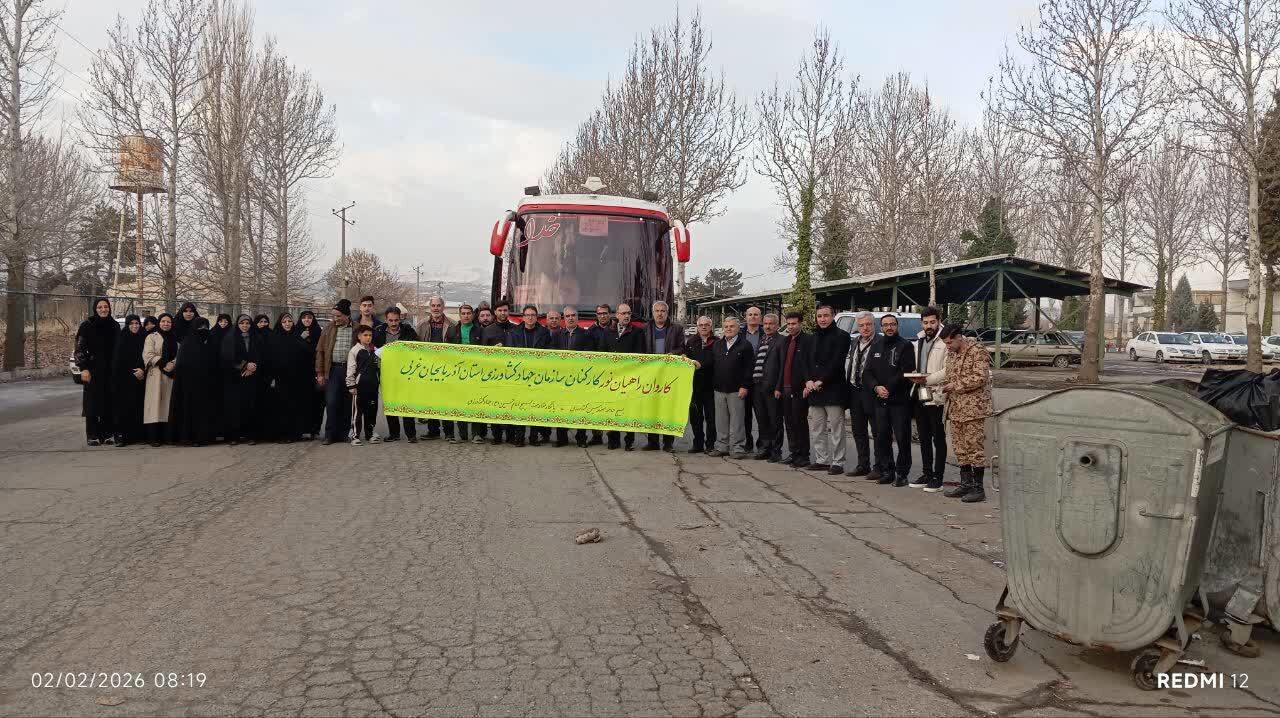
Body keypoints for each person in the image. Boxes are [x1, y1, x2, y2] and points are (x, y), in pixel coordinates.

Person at [937, 324, 992, 502]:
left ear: (959, 337)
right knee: (960, 448)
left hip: (973, 410)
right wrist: (942, 387)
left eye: (949, 342)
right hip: (955, 408)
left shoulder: (977, 350)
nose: (947, 346)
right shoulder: (952, 354)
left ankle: (978, 488)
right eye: (945, 343)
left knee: (975, 449)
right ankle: (965, 484)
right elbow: (949, 376)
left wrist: (955, 385)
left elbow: (980, 376)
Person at [864, 313, 916, 486]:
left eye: (892, 324)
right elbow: (868, 371)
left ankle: (902, 473)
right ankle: (888, 470)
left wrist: (888, 388)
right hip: (880, 400)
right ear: (881, 327)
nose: (889, 327)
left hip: (899, 401)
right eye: (885, 325)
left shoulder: (905, 345)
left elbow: (906, 371)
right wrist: (876, 387)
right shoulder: (876, 345)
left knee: (902, 438)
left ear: (897, 326)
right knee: (882, 437)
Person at [804, 306, 850, 473]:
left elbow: (837, 362)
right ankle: (822, 460)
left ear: (833, 316)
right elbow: (805, 361)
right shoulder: (811, 338)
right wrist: (808, 380)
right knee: (817, 428)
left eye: (826, 316)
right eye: (819, 316)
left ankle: (838, 462)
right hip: (815, 390)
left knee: (837, 429)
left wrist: (821, 380)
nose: (822, 319)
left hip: (834, 389)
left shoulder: (842, 337)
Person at [909, 307, 948, 492]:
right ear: (921, 323)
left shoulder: (945, 341)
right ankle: (926, 473)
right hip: (920, 393)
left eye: (932, 322)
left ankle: (938, 478)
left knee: (938, 438)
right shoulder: (919, 340)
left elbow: (948, 370)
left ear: (939, 321)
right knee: (923, 437)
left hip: (937, 395)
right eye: (925, 322)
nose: (929, 325)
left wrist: (927, 379)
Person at [707, 316, 754, 458]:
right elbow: (711, 365)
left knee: (737, 421)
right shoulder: (717, 345)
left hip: (737, 390)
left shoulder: (745, 345)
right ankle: (722, 446)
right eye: (726, 326)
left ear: (738, 328)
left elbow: (749, 368)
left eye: (732, 326)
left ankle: (738, 448)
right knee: (720, 420)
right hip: (719, 389)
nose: (728, 329)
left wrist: (745, 386)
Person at [75, 297, 118, 446]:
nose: (103, 309)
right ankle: (92, 435)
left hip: (110, 370)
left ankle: (108, 434)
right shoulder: (87, 325)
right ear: (95, 309)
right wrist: (84, 368)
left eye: (105, 307)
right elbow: (79, 348)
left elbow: (118, 348)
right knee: (92, 403)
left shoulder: (114, 325)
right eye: (100, 307)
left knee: (109, 402)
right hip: (92, 370)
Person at [506, 304, 551, 446]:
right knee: (520, 407)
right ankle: (519, 437)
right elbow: (510, 354)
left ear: (536, 317)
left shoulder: (544, 333)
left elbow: (549, 354)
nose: (530, 317)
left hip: (537, 376)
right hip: (520, 375)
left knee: (535, 407)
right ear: (523, 317)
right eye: (527, 315)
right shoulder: (514, 333)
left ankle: (533, 437)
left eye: (533, 315)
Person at [642, 300, 685, 451]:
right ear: (652, 313)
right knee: (651, 409)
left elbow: (681, 348)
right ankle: (652, 442)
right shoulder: (645, 328)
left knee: (667, 409)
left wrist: (670, 355)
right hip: (651, 375)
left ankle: (668, 443)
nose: (660, 313)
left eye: (663, 311)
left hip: (669, 375)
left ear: (667, 313)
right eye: (657, 311)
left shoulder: (677, 329)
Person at [169, 317, 218, 446]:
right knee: (190, 411)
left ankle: (205, 437)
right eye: (200, 327)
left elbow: (216, 361)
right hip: (190, 386)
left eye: (205, 327)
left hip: (207, 385)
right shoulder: (188, 342)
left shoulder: (211, 341)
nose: (203, 330)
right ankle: (190, 437)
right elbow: (182, 365)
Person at [374, 306, 420, 443]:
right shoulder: (379, 332)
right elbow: (374, 350)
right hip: (386, 373)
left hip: (405, 373)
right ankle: (394, 434)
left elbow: (416, 348)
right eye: (391, 320)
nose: (393, 323)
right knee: (390, 403)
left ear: (400, 319)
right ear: (386, 319)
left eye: (396, 320)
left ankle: (411, 434)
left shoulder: (409, 331)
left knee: (407, 403)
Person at [605, 302, 647, 450]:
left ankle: (629, 441)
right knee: (613, 410)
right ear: (617, 315)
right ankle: (613, 440)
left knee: (629, 411)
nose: (627, 316)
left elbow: (641, 354)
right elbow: (601, 354)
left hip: (630, 379)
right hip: (612, 379)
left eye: (629, 313)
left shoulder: (637, 332)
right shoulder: (608, 332)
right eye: (623, 313)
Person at [268, 313, 315, 443]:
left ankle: (295, 433)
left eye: (289, 321)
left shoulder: (297, 336)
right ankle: (282, 434)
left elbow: (308, 353)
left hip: (297, 377)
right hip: (280, 378)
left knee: (295, 405)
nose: (287, 324)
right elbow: (270, 358)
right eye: (284, 322)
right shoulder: (274, 337)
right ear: (280, 323)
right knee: (281, 406)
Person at [552, 306, 594, 447]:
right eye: (568, 316)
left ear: (577, 317)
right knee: (561, 408)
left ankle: (581, 438)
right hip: (561, 379)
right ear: (564, 318)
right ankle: (561, 438)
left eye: (573, 315)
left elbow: (589, 356)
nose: (570, 318)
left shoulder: (586, 334)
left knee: (580, 409)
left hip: (579, 379)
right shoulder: (557, 335)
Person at [845, 312, 880, 479]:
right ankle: (862, 464)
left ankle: (880, 466)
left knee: (878, 431)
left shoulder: (880, 343)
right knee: (858, 431)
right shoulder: (854, 342)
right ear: (857, 326)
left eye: (868, 324)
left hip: (872, 393)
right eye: (861, 325)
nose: (865, 328)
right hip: (854, 391)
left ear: (874, 325)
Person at [776, 311, 813, 467]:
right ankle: (794, 453)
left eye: (794, 324)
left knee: (800, 423)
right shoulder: (785, 341)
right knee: (789, 422)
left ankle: (803, 456)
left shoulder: (808, 341)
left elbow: (810, 364)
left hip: (799, 389)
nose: (791, 327)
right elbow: (782, 366)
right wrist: (778, 387)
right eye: (789, 324)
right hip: (785, 388)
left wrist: (807, 383)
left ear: (800, 324)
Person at [316, 299, 356, 445]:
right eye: (334, 316)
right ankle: (329, 434)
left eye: (338, 316)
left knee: (347, 402)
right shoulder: (328, 329)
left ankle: (344, 433)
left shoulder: (357, 328)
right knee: (331, 402)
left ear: (347, 315)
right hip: (332, 370)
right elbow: (320, 351)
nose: (335, 319)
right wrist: (320, 373)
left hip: (350, 371)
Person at [418, 295, 456, 440]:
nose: (436, 308)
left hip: (446, 368)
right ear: (430, 307)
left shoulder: (452, 324)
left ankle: (449, 432)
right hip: (428, 369)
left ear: (443, 307)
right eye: (433, 306)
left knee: (446, 400)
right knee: (431, 400)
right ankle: (433, 431)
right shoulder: (422, 325)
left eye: (438, 305)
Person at [222, 314, 264, 445]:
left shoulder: (257, 338)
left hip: (252, 378)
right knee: (235, 407)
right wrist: (245, 365)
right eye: (242, 323)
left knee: (251, 406)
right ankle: (234, 436)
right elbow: (227, 357)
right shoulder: (230, 338)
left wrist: (253, 367)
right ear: (237, 324)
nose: (245, 326)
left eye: (247, 323)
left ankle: (251, 435)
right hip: (235, 378)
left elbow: (262, 354)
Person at [751, 313, 784, 461]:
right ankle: (764, 448)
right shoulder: (762, 339)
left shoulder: (781, 341)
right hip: (757, 386)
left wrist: (778, 387)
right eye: (765, 324)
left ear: (777, 325)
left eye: (771, 324)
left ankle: (776, 451)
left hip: (772, 387)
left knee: (775, 420)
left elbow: (782, 366)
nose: (768, 326)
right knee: (762, 419)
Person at [110, 314, 146, 447]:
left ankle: (137, 435)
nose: (135, 326)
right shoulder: (122, 339)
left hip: (141, 378)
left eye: (137, 323)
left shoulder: (144, 338)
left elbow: (147, 356)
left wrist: (142, 370)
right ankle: (122, 436)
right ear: (127, 325)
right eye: (132, 324)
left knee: (138, 407)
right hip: (124, 380)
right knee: (124, 409)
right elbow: (118, 361)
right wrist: (131, 372)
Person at [481, 299, 513, 445]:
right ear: (495, 312)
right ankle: (497, 436)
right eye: (500, 310)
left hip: (513, 374)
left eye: (505, 310)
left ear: (508, 312)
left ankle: (512, 436)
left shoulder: (515, 329)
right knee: (495, 405)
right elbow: (482, 354)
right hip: (494, 375)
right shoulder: (488, 331)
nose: (503, 313)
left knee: (512, 405)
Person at [142, 313, 177, 447]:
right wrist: (163, 363)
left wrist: (173, 363)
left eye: (168, 321)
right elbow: (148, 354)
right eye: (163, 321)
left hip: (171, 375)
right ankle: (154, 437)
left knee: (168, 406)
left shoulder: (175, 337)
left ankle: (168, 436)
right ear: (159, 323)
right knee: (155, 405)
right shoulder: (152, 337)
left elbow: (179, 353)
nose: (166, 324)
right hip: (156, 374)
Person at [684, 316, 716, 454]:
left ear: (711, 326)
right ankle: (697, 443)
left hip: (711, 386)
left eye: (706, 325)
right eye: (701, 325)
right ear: (697, 327)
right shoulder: (691, 342)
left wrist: (701, 365)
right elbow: (686, 359)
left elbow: (718, 361)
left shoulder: (717, 342)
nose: (703, 327)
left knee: (711, 418)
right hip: (695, 386)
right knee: (696, 418)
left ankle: (711, 444)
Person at [346, 324, 381, 445]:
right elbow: (351, 368)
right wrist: (351, 385)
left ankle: (370, 433)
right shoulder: (355, 351)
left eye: (370, 335)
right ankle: (355, 436)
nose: (368, 338)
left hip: (373, 386)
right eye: (365, 335)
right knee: (357, 412)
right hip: (359, 387)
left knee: (371, 410)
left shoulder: (375, 351)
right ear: (359, 336)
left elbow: (379, 366)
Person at [585, 303, 614, 446]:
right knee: (594, 406)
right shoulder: (590, 332)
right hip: (596, 375)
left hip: (613, 375)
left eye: (605, 313)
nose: (603, 316)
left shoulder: (616, 329)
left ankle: (611, 437)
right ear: (596, 315)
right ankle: (596, 436)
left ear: (610, 314)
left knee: (610, 406)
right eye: (600, 313)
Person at [294, 310, 324, 439]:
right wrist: (300, 338)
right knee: (300, 401)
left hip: (314, 371)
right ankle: (300, 429)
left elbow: (320, 351)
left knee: (316, 402)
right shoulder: (296, 332)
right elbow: (291, 349)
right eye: (304, 318)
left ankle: (314, 429)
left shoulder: (318, 332)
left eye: (310, 318)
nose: (307, 320)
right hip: (299, 373)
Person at [740, 306, 763, 452]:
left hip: (761, 381)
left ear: (760, 318)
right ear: (746, 317)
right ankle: (747, 443)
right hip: (744, 381)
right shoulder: (739, 334)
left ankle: (763, 445)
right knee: (745, 415)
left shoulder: (766, 333)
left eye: (756, 315)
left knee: (761, 415)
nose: (753, 317)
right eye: (750, 314)